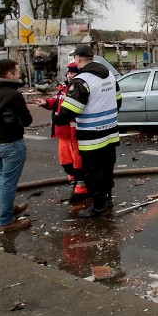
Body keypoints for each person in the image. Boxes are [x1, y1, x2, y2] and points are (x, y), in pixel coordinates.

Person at [55, 44, 122, 218]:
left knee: (92, 173)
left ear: (78, 59)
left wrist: (57, 119)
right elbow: (118, 101)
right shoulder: (108, 76)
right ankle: (107, 200)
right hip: (111, 132)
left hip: (91, 136)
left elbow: (70, 110)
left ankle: (98, 207)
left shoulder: (82, 81)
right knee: (108, 168)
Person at [0, 59, 33, 231]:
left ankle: (8, 209)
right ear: (10, 75)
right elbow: (27, 120)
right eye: (17, 73)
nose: (19, 76)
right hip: (11, 143)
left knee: (4, 178)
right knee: (8, 182)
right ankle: (7, 220)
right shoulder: (14, 95)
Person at [35, 62, 88, 203]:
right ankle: (74, 180)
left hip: (74, 133)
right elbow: (56, 102)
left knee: (78, 162)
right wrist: (46, 103)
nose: (69, 75)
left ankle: (82, 188)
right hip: (63, 133)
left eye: (72, 73)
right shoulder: (64, 89)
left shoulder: (79, 89)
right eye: (68, 73)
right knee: (66, 161)